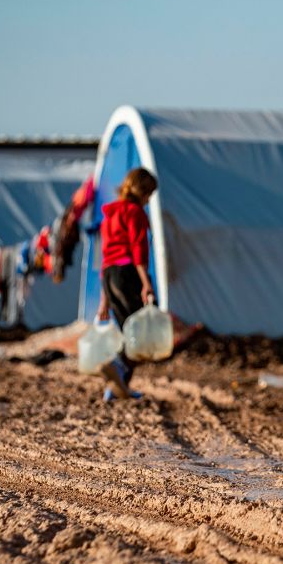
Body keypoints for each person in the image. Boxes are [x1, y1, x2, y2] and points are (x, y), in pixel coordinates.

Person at [97, 167, 157, 401]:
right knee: (139, 333)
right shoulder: (135, 213)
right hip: (127, 273)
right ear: (142, 192)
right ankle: (116, 364)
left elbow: (105, 259)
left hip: (110, 276)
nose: (149, 200)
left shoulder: (110, 215)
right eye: (148, 194)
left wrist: (104, 300)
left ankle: (114, 390)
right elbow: (138, 250)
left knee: (126, 331)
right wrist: (146, 283)